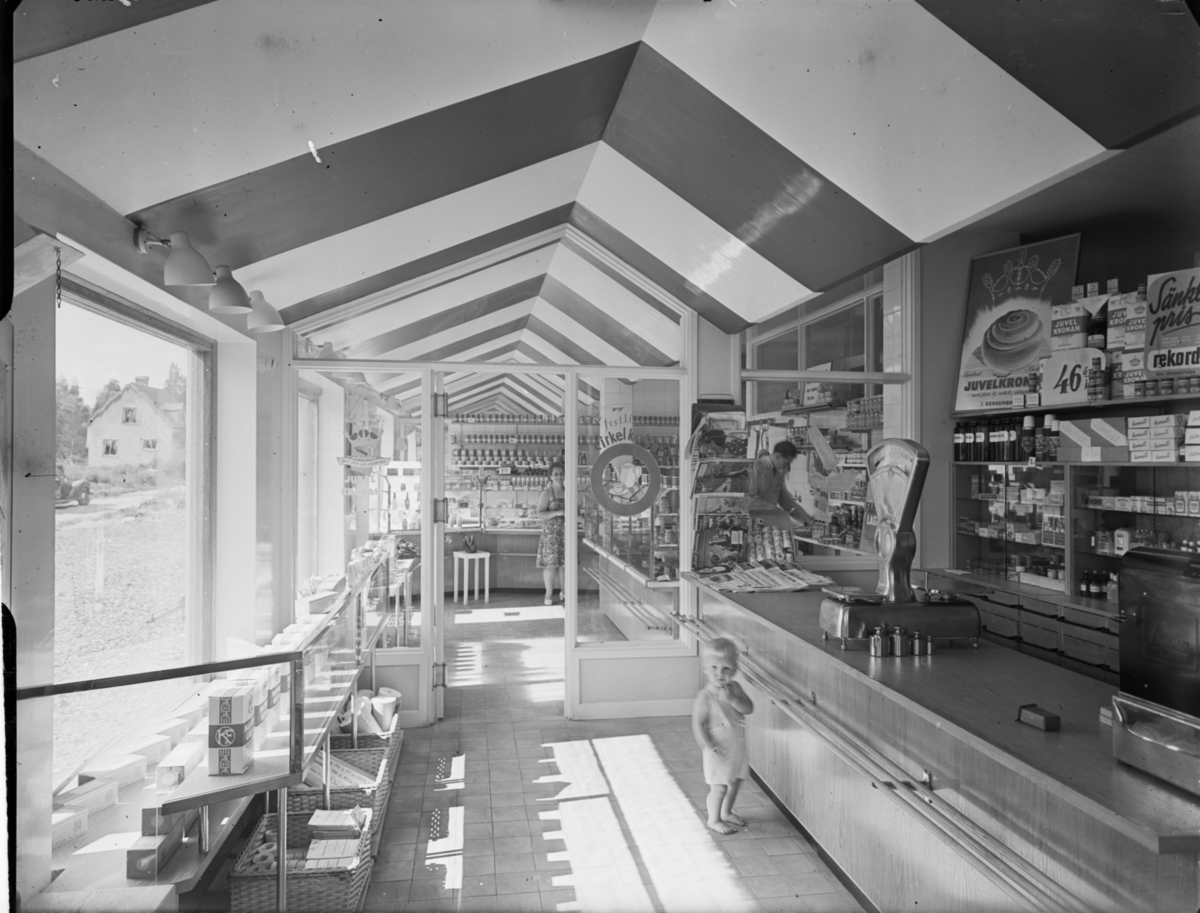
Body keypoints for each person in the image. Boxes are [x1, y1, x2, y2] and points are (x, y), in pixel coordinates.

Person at [692, 637, 754, 834]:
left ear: (735, 670)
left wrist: (733, 699)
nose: (720, 673)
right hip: (717, 750)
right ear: (705, 669)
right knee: (719, 787)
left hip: (735, 748)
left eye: (726, 668)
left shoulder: (735, 688)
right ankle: (714, 819)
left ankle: (726, 812)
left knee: (735, 781)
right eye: (714, 668)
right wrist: (709, 745)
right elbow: (699, 724)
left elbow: (749, 708)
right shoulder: (705, 696)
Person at [747, 440, 811, 523]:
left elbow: (786, 501)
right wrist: (777, 512)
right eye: (786, 463)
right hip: (752, 519)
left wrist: (807, 520)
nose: (786, 466)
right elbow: (752, 499)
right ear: (778, 456)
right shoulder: (756, 466)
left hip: (768, 520)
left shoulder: (778, 472)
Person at [536, 462, 567, 606]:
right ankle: (548, 594)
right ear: (550, 476)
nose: (559, 476)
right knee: (550, 565)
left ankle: (565, 592)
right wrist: (557, 512)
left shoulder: (569, 491)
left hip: (566, 533)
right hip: (551, 535)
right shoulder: (547, 492)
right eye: (556, 474)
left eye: (561, 473)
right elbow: (540, 514)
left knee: (565, 565)